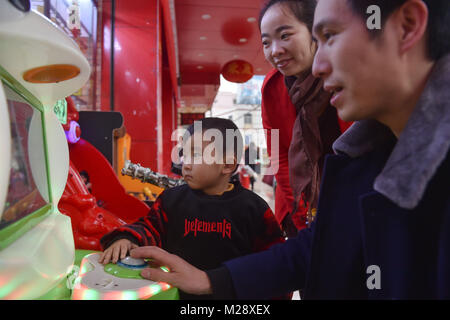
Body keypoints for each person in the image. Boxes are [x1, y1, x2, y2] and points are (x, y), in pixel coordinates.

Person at [129, 0, 450, 299]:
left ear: (406, 26)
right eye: (266, 41)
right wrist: (213, 280)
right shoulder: (366, 155)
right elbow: (316, 246)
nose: (320, 63)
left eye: (330, 36)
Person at [98, 117, 284, 299]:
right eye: (184, 155)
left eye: (195, 155)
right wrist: (127, 238)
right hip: (173, 294)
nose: (185, 164)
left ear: (227, 164)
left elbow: (273, 263)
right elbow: (150, 227)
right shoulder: (172, 200)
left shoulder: (253, 209)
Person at [259, 0, 350, 236]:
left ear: (315, 31)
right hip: (299, 207)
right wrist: (304, 220)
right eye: (266, 42)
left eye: (285, 35)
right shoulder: (273, 87)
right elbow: (280, 158)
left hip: (354, 199)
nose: (275, 50)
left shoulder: (347, 74)